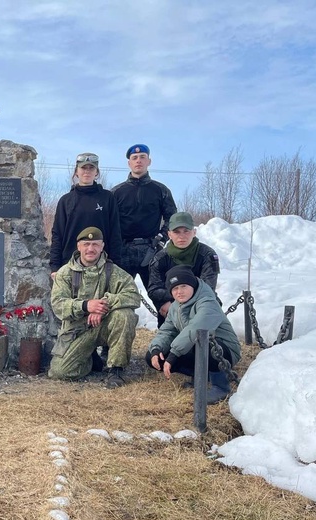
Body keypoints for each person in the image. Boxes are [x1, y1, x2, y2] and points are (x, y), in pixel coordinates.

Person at [48, 227, 140, 388]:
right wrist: (86, 306)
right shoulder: (65, 273)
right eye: (86, 244)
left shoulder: (113, 271)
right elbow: (58, 305)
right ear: (78, 246)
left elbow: (133, 296)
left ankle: (116, 369)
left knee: (125, 315)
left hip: (104, 326)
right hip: (77, 330)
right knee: (59, 372)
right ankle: (90, 359)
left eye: (95, 244)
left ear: (102, 246)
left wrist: (103, 305)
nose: (91, 249)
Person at [146, 266, 241, 404]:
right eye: (174, 289)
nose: (179, 292)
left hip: (223, 350)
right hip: (192, 345)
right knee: (153, 357)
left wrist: (174, 354)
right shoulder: (175, 306)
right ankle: (200, 376)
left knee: (204, 345)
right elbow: (168, 331)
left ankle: (221, 387)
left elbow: (196, 328)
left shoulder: (207, 301)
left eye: (183, 286)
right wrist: (156, 349)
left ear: (193, 284)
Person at [111, 144, 177, 289]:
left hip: (151, 249)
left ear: (149, 161)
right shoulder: (116, 192)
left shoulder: (160, 190)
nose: (138, 161)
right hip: (123, 252)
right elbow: (108, 222)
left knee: (161, 296)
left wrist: (161, 239)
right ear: (129, 163)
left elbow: (172, 219)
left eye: (142, 157)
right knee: (118, 298)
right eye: (134, 158)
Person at [49, 152, 123, 278]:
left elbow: (115, 232)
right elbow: (57, 235)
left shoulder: (107, 198)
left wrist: (115, 263)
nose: (87, 172)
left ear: (97, 172)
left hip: (101, 265)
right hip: (70, 265)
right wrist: (55, 266)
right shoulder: (65, 200)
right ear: (76, 172)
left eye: (91, 168)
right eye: (83, 168)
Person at [147, 212, 221, 327]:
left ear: (194, 232)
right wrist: (169, 303)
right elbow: (154, 289)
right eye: (176, 232)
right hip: (170, 306)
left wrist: (182, 304)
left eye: (186, 231)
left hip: (201, 304)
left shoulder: (207, 255)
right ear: (169, 234)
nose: (182, 236)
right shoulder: (159, 258)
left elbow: (208, 288)